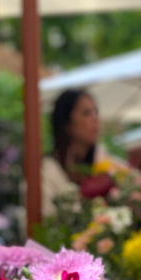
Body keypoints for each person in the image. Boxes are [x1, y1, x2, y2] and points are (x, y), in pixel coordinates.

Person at [41, 89, 101, 217]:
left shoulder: (102, 163)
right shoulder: (46, 171)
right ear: (66, 122)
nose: (95, 118)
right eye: (87, 113)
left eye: (96, 112)